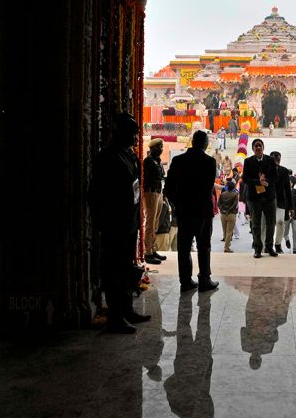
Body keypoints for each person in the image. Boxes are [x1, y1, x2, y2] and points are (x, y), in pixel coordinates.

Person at [89, 113, 152, 334]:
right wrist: (102, 220)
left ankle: (127, 310)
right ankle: (115, 316)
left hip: (129, 221)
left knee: (125, 267)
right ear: (121, 133)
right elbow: (97, 194)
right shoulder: (107, 157)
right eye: (132, 134)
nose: (136, 138)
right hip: (114, 222)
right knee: (113, 270)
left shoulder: (129, 155)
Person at [163, 130, 219, 292]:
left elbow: (169, 188)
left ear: (193, 142)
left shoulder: (178, 160)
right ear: (204, 144)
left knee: (184, 247)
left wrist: (178, 204)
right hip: (202, 211)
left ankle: (185, 281)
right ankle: (204, 280)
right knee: (204, 246)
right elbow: (208, 188)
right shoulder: (209, 162)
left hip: (184, 211)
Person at [242, 137, 279, 258]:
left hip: (269, 197)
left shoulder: (270, 160)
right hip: (254, 197)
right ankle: (257, 248)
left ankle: (269, 247)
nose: (258, 148)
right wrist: (258, 182)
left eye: (260, 146)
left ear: (263, 148)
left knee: (271, 223)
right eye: (256, 146)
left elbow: (275, 176)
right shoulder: (247, 161)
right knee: (256, 224)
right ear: (253, 149)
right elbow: (245, 179)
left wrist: (267, 181)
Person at [142, 137, 167, 266]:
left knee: (155, 223)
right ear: (152, 148)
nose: (161, 149)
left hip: (158, 192)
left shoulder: (158, 161)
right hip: (150, 192)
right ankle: (147, 252)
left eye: (162, 147)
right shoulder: (148, 161)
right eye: (159, 147)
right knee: (150, 223)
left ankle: (153, 249)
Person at [270, 151, 295, 252]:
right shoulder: (265, 170)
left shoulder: (284, 171)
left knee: (280, 223)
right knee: (269, 225)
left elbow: (288, 191)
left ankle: (278, 244)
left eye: (278, 158)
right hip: (268, 202)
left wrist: (291, 207)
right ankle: (268, 245)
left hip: (280, 202)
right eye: (274, 158)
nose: (276, 160)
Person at [217, 180, 239, 252]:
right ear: (233, 187)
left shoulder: (222, 194)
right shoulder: (235, 195)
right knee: (229, 232)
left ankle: (227, 245)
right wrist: (229, 211)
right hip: (231, 214)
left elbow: (219, 204)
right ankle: (226, 247)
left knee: (224, 231)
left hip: (223, 214)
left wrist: (223, 210)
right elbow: (235, 205)